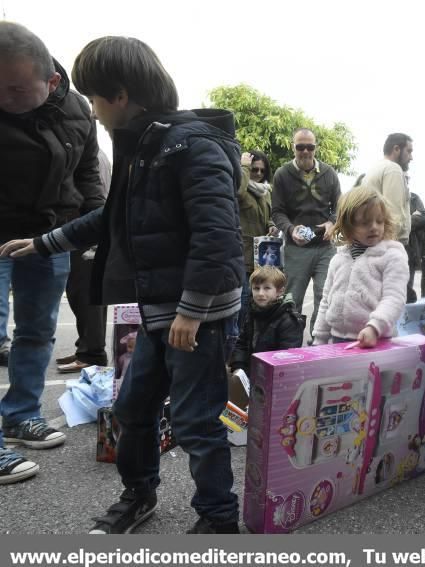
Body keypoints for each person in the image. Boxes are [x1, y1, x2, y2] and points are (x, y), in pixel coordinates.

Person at [1, 35, 245, 532]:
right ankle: (139, 496)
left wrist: (192, 311)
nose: (90, 111)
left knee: (197, 422)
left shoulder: (193, 145)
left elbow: (218, 237)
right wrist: (43, 243)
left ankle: (218, 517)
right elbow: (110, 218)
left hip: (194, 317)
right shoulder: (145, 145)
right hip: (158, 311)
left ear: (119, 95)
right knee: (133, 408)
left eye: (93, 99)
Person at [1, 22, 104, 484]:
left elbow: (86, 174)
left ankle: (20, 415)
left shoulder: (78, 109)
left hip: (47, 235)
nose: (4, 97)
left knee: (38, 332)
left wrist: (98, 221)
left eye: (16, 88)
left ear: (52, 82)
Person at [312, 187, 408, 347]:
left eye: (379, 221)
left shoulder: (392, 256)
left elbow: (394, 298)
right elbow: (326, 301)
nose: (374, 227)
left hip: (377, 339)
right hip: (337, 340)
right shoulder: (338, 259)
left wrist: (374, 327)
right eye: (365, 223)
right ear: (347, 226)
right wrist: (319, 338)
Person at [271, 128, 340, 342]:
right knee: (292, 299)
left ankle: (318, 343)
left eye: (309, 146)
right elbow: (277, 211)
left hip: (324, 246)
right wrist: (290, 229)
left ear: (315, 148)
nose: (305, 151)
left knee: (325, 296)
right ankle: (289, 345)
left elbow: (339, 206)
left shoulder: (329, 173)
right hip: (296, 247)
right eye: (300, 146)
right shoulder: (282, 174)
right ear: (293, 147)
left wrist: (332, 222)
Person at [57, 147, 112, 373]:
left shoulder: (90, 156)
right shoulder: (94, 154)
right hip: (84, 230)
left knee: (87, 293)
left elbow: (94, 196)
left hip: (88, 231)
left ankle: (92, 353)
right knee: (80, 292)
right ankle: (86, 348)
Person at [229, 266, 304, 375]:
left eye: (267, 288)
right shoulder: (252, 312)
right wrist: (238, 366)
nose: (260, 293)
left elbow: (287, 357)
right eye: (256, 288)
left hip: (275, 376)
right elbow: (241, 343)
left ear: (280, 291)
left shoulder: (289, 320)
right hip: (252, 372)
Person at [237, 150, 277, 336]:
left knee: (263, 300)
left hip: (263, 255)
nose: (258, 174)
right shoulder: (242, 185)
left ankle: (253, 341)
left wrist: (271, 226)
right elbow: (237, 190)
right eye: (254, 169)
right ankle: (236, 343)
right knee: (244, 299)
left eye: (262, 170)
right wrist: (243, 166)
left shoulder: (265, 191)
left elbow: (268, 218)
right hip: (242, 254)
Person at [361, 133, 414, 245]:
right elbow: (394, 215)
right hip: (388, 244)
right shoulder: (393, 169)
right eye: (409, 151)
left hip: (373, 242)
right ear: (396, 149)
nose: (411, 157)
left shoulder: (375, 168)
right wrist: (391, 249)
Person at [407, 192, 425, 302]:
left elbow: (424, 218)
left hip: (410, 251)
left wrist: (404, 221)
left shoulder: (414, 197)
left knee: (408, 289)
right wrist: (412, 216)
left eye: (407, 178)